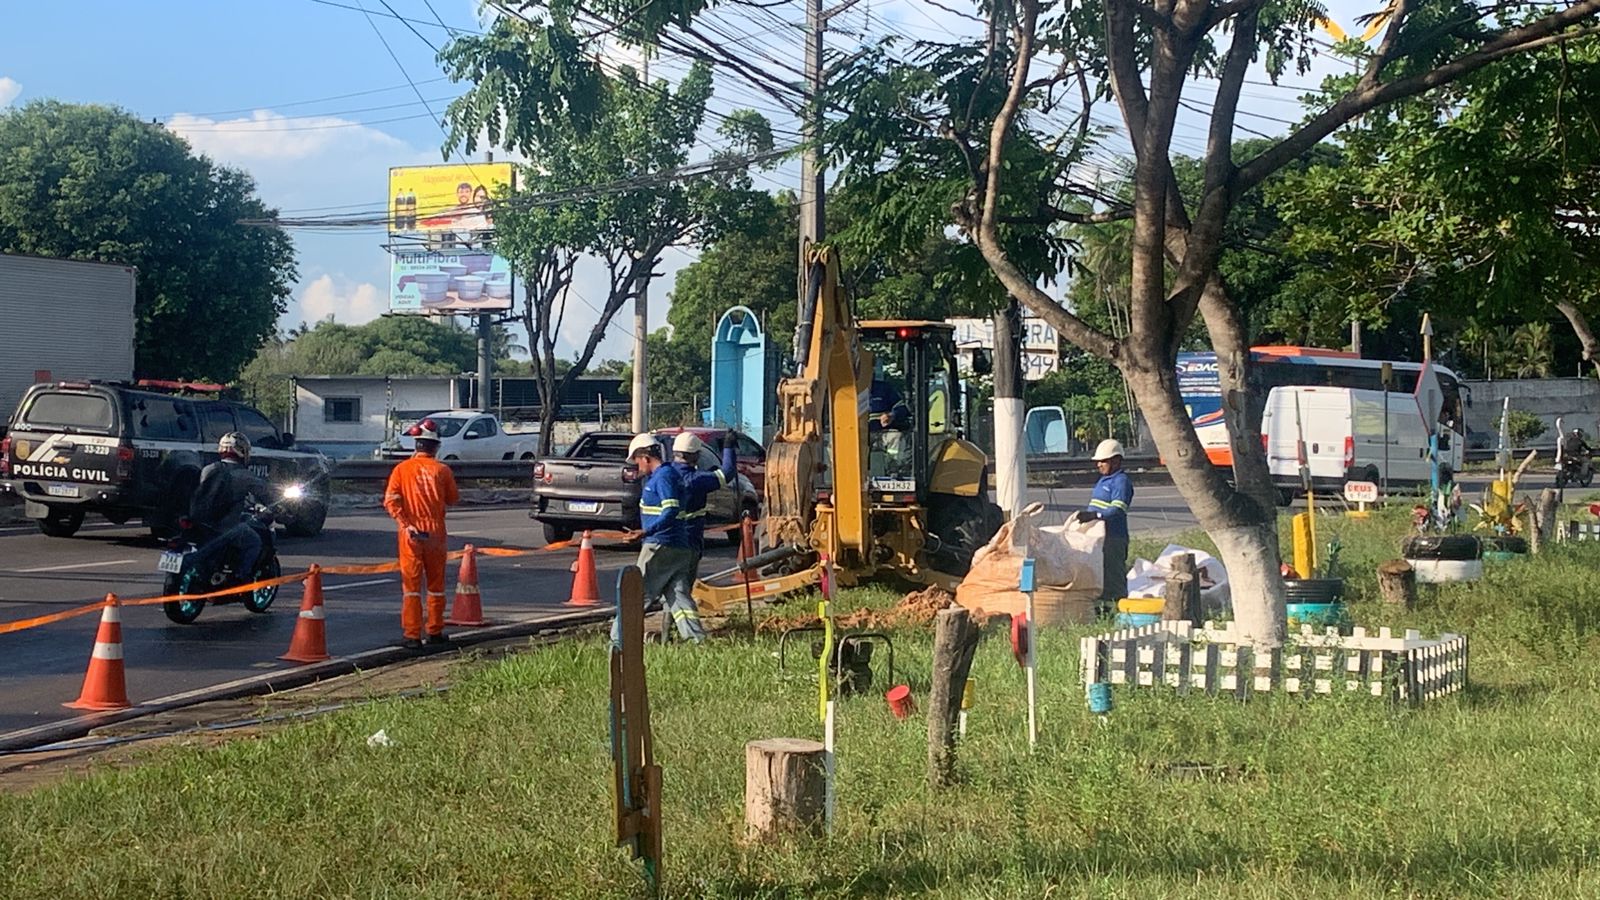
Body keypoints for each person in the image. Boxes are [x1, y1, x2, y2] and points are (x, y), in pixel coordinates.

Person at [383, 419, 460, 650]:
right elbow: (453, 499)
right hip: (435, 532)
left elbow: (391, 501)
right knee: (436, 584)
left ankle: (412, 635)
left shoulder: (401, 469)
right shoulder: (443, 470)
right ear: (435, 447)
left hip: (411, 532)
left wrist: (405, 523)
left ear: (416, 445)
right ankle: (435, 630)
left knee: (411, 586)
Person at [626, 432, 705, 644]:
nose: (636, 466)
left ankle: (619, 641)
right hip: (679, 547)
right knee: (678, 596)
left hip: (660, 545)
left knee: (635, 595)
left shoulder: (663, 478)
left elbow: (670, 510)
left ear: (645, 457)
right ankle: (696, 640)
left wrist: (646, 533)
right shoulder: (663, 477)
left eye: (636, 460)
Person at [188, 432, 269, 578]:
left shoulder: (208, 468)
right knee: (254, 542)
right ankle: (241, 577)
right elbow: (267, 494)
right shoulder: (244, 475)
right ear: (242, 451)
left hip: (200, 522)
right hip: (225, 526)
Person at [1073, 439, 1133, 608]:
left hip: (1114, 537)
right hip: (1099, 538)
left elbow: (1118, 509)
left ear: (1116, 460)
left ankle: (1118, 610)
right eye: (1098, 461)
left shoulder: (1121, 481)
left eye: (1103, 461)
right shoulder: (1103, 480)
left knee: (1113, 575)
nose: (1099, 464)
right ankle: (1102, 609)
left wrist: (1095, 515)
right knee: (1100, 574)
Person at [670, 430, 738, 570]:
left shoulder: (665, 474)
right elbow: (727, 473)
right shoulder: (696, 479)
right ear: (695, 455)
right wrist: (728, 447)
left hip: (668, 538)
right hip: (689, 537)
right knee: (684, 582)